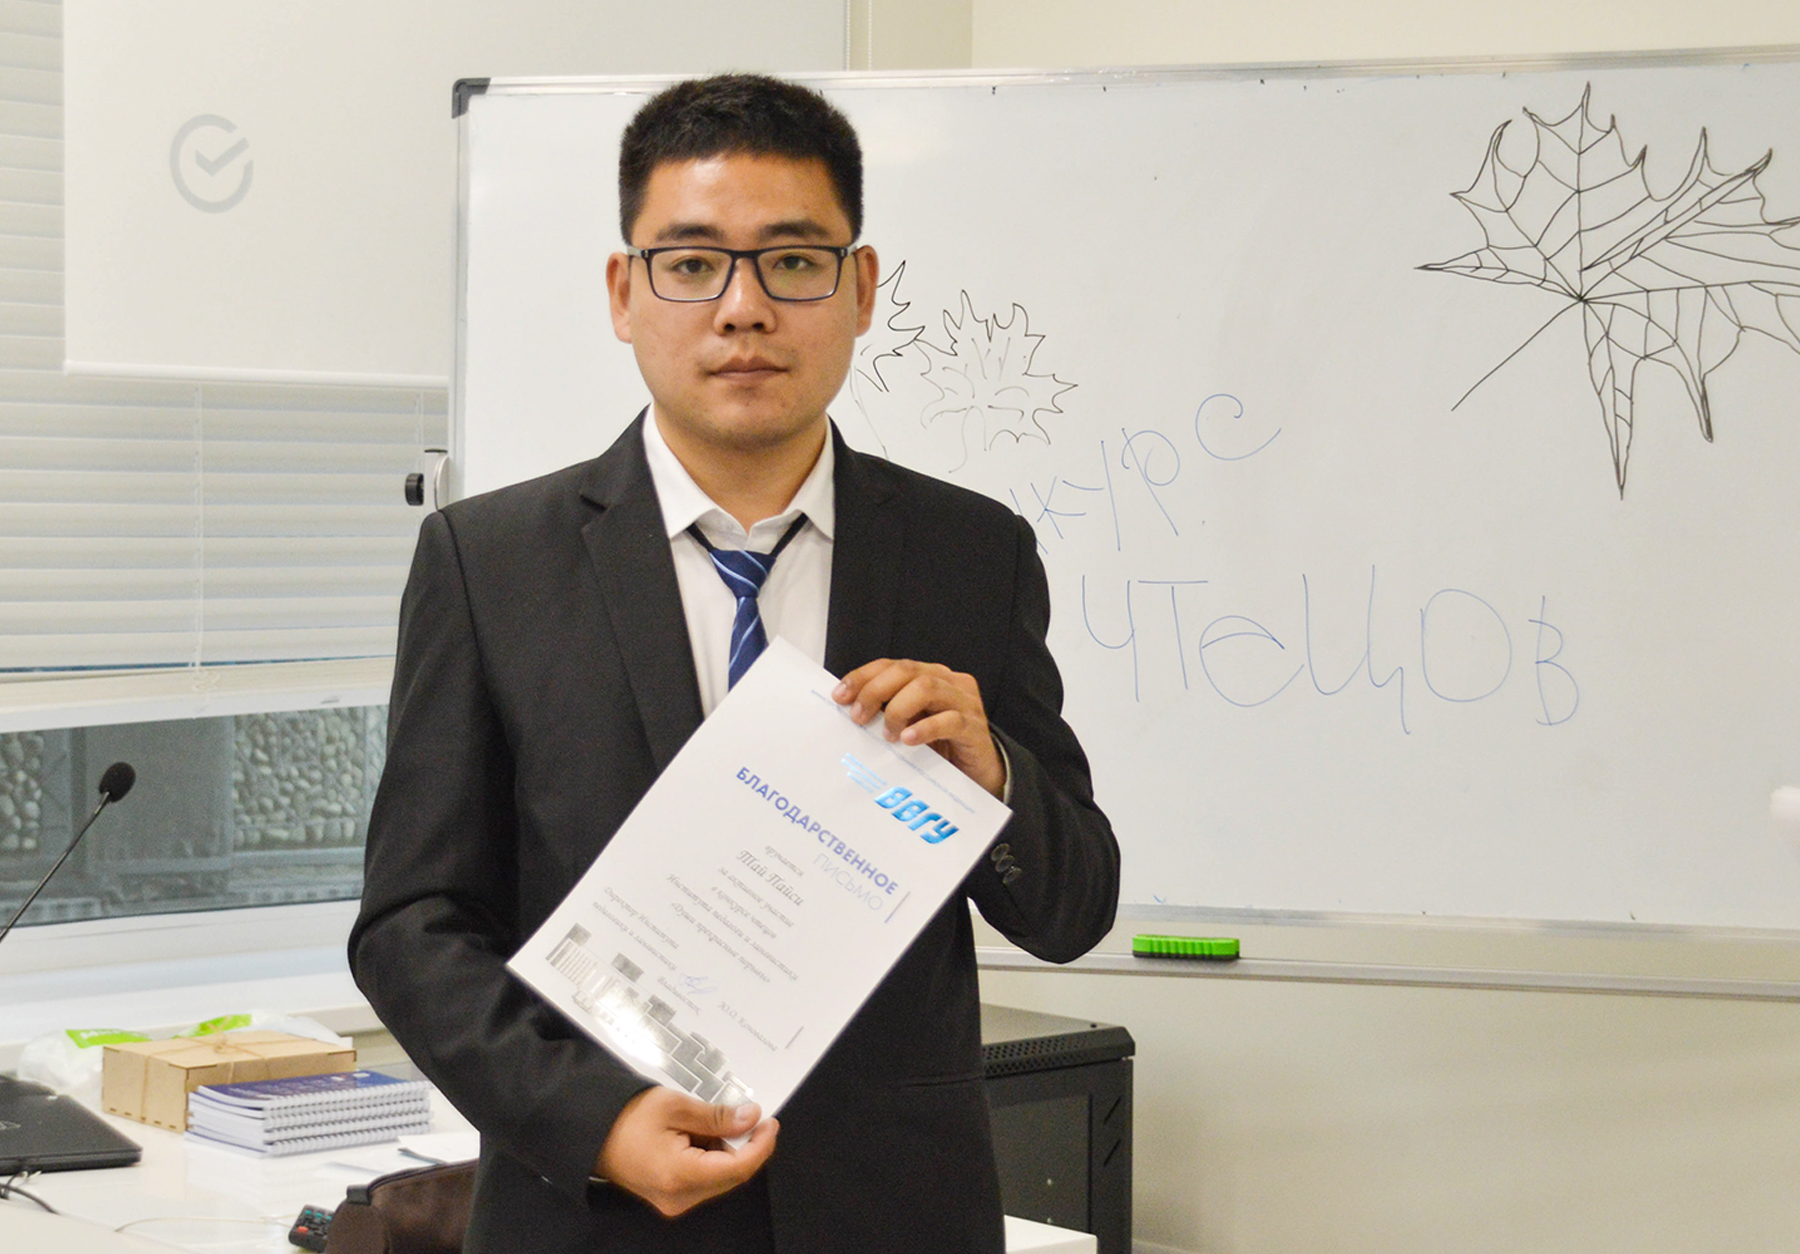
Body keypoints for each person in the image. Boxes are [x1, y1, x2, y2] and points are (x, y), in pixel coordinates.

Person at [350, 73, 1119, 1254]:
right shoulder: (488, 562)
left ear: (860, 288)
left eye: (794, 261)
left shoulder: (971, 553)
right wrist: (597, 1124)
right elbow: (412, 926)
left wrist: (997, 777)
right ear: (625, 292)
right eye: (693, 262)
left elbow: (1073, 909)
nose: (744, 309)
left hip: (894, 1220)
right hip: (593, 1222)